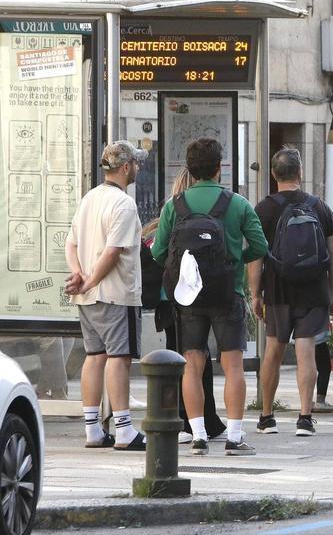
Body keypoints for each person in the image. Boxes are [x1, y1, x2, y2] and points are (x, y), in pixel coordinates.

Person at [152, 137, 268, 456]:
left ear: (189, 169)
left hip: (189, 297)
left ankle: (198, 436)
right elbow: (260, 247)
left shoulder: (174, 206)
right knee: (232, 365)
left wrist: (186, 270)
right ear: (220, 168)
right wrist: (231, 264)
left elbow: (159, 252)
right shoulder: (238, 204)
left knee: (192, 363)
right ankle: (234, 436)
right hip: (227, 292)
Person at [248, 147, 333, 437]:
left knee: (273, 349)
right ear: (300, 173)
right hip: (313, 289)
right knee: (306, 350)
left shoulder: (264, 209)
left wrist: (255, 293)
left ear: (274, 175)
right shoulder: (319, 207)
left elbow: (255, 256)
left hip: (277, 289)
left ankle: (266, 416)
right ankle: (304, 417)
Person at [63, 141, 149, 450]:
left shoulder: (90, 198)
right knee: (118, 357)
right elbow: (113, 251)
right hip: (115, 293)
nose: (138, 168)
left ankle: (92, 429)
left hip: (88, 298)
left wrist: (80, 275)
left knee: (94, 356)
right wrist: (90, 281)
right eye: (136, 164)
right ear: (125, 168)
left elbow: (71, 244)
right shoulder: (123, 204)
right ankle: (124, 429)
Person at [150, 169, 226, 444]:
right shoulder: (217, 209)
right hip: (210, 293)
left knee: (179, 358)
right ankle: (203, 420)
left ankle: (182, 418)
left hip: (173, 297)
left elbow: (157, 254)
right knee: (198, 363)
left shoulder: (167, 217)